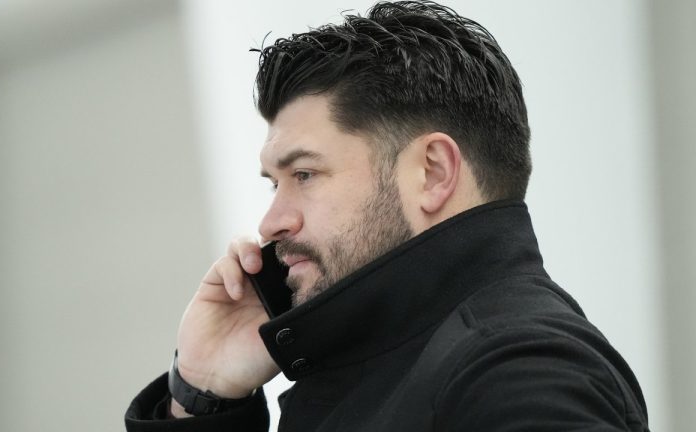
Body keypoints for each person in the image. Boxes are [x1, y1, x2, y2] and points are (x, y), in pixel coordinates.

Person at [125, 1, 650, 431]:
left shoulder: (518, 371)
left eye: (304, 174)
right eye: (273, 183)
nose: (271, 223)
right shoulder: (396, 360)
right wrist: (204, 392)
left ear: (433, 172)